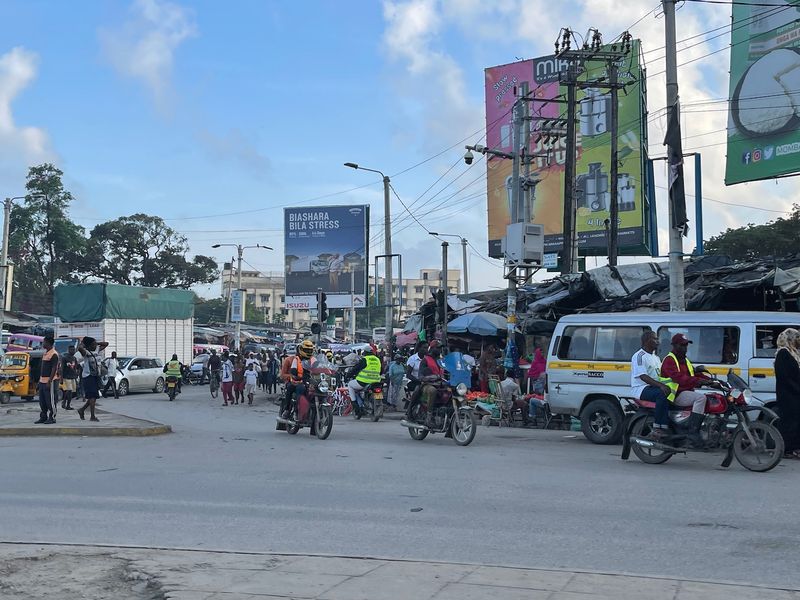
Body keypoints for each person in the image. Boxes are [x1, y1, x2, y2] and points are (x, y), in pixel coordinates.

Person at [660, 333, 716, 445]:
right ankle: (693, 432)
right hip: (675, 394)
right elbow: (679, 378)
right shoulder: (670, 360)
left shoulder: (684, 360)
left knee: (713, 397)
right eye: (682, 345)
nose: (685, 347)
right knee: (701, 398)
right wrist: (699, 382)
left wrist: (713, 381)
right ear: (674, 345)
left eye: (686, 345)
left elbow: (694, 374)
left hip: (686, 392)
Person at [630, 331, 673, 441]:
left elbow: (660, 375)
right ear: (647, 341)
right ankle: (658, 428)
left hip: (653, 387)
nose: (658, 342)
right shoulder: (639, 356)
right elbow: (643, 376)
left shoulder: (656, 358)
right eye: (655, 339)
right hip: (641, 388)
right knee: (661, 394)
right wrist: (661, 386)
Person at [775, 328, 800, 459]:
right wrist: (797, 389)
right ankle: (786, 449)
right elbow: (784, 377)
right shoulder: (783, 354)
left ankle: (795, 447)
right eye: (796, 338)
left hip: (794, 393)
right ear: (789, 339)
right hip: (788, 394)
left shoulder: (793, 353)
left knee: (796, 421)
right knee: (789, 422)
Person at [279, 339, 315, 420]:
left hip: (308, 383)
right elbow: (282, 375)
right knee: (296, 388)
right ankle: (290, 410)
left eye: (310, 350)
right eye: (306, 350)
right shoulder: (291, 360)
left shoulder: (313, 360)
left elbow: (320, 369)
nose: (308, 352)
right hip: (294, 382)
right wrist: (292, 377)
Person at [76, 336, 108, 422]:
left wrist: (96, 343)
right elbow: (80, 348)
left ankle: (82, 410)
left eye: (95, 344)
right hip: (88, 376)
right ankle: (92, 416)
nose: (95, 345)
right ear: (89, 345)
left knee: (93, 397)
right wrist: (84, 343)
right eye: (93, 344)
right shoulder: (86, 353)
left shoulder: (96, 350)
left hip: (95, 376)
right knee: (92, 396)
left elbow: (106, 344)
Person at [347, 346, 382, 416]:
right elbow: (381, 371)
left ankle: (355, 405)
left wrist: (349, 374)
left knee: (350, 385)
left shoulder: (365, 359)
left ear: (365, 352)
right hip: (376, 382)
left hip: (363, 382)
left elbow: (356, 369)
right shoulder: (377, 359)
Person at [36, 336, 60, 424]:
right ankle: (43, 416)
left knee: (51, 401)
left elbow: (54, 368)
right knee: (42, 401)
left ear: (48, 343)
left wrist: (49, 381)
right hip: (42, 380)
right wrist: (39, 381)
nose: (43, 344)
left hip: (50, 381)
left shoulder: (54, 354)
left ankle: (52, 417)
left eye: (44, 342)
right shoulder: (46, 353)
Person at [419, 345, 444, 426]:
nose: (439, 350)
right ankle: (428, 416)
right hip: (427, 385)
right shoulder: (425, 360)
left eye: (440, 348)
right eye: (437, 347)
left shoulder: (441, 361)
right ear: (432, 348)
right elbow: (421, 376)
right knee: (433, 391)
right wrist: (433, 377)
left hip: (440, 385)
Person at [60, 345, 79, 411]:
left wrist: (76, 376)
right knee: (69, 390)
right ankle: (64, 402)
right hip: (66, 377)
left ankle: (68, 405)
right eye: (71, 350)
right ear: (68, 350)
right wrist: (61, 378)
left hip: (73, 377)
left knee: (71, 392)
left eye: (74, 350)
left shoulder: (74, 358)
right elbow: (61, 368)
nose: (73, 351)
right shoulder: (64, 358)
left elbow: (76, 368)